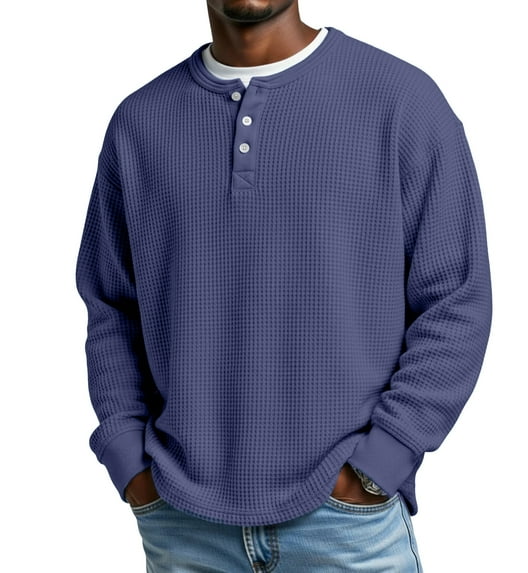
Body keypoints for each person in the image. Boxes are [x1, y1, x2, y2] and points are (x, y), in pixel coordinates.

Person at [75, 1, 492, 571]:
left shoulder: (402, 101)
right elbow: (112, 308)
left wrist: (381, 462)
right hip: (182, 521)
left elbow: (455, 300)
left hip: (345, 525)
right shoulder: (139, 122)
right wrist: (129, 462)